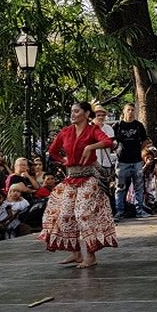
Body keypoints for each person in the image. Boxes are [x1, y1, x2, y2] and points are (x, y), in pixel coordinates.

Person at [39, 101, 118, 268]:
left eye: (76, 111)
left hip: (89, 177)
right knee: (65, 214)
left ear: (87, 114)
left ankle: (91, 255)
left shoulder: (93, 130)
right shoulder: (66, 132)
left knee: (83, 213)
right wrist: (64, 160)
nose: (73, 114)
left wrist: (91, 146)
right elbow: (52, 151)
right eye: (72, 111)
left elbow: (109, 143)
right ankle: (75, 253)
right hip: (71, 177)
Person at [113, 103, 150, 220]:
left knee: (139, 187)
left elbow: (145, 140)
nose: (131, 112)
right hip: (122, 161)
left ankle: (140, 210)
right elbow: (111, 141)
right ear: (124, 111)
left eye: (133, 110)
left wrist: (139, 150)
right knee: (120, 187)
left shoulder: (139, 125)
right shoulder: (117, 125)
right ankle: (120, 211)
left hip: (136, 161)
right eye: (128, 110)